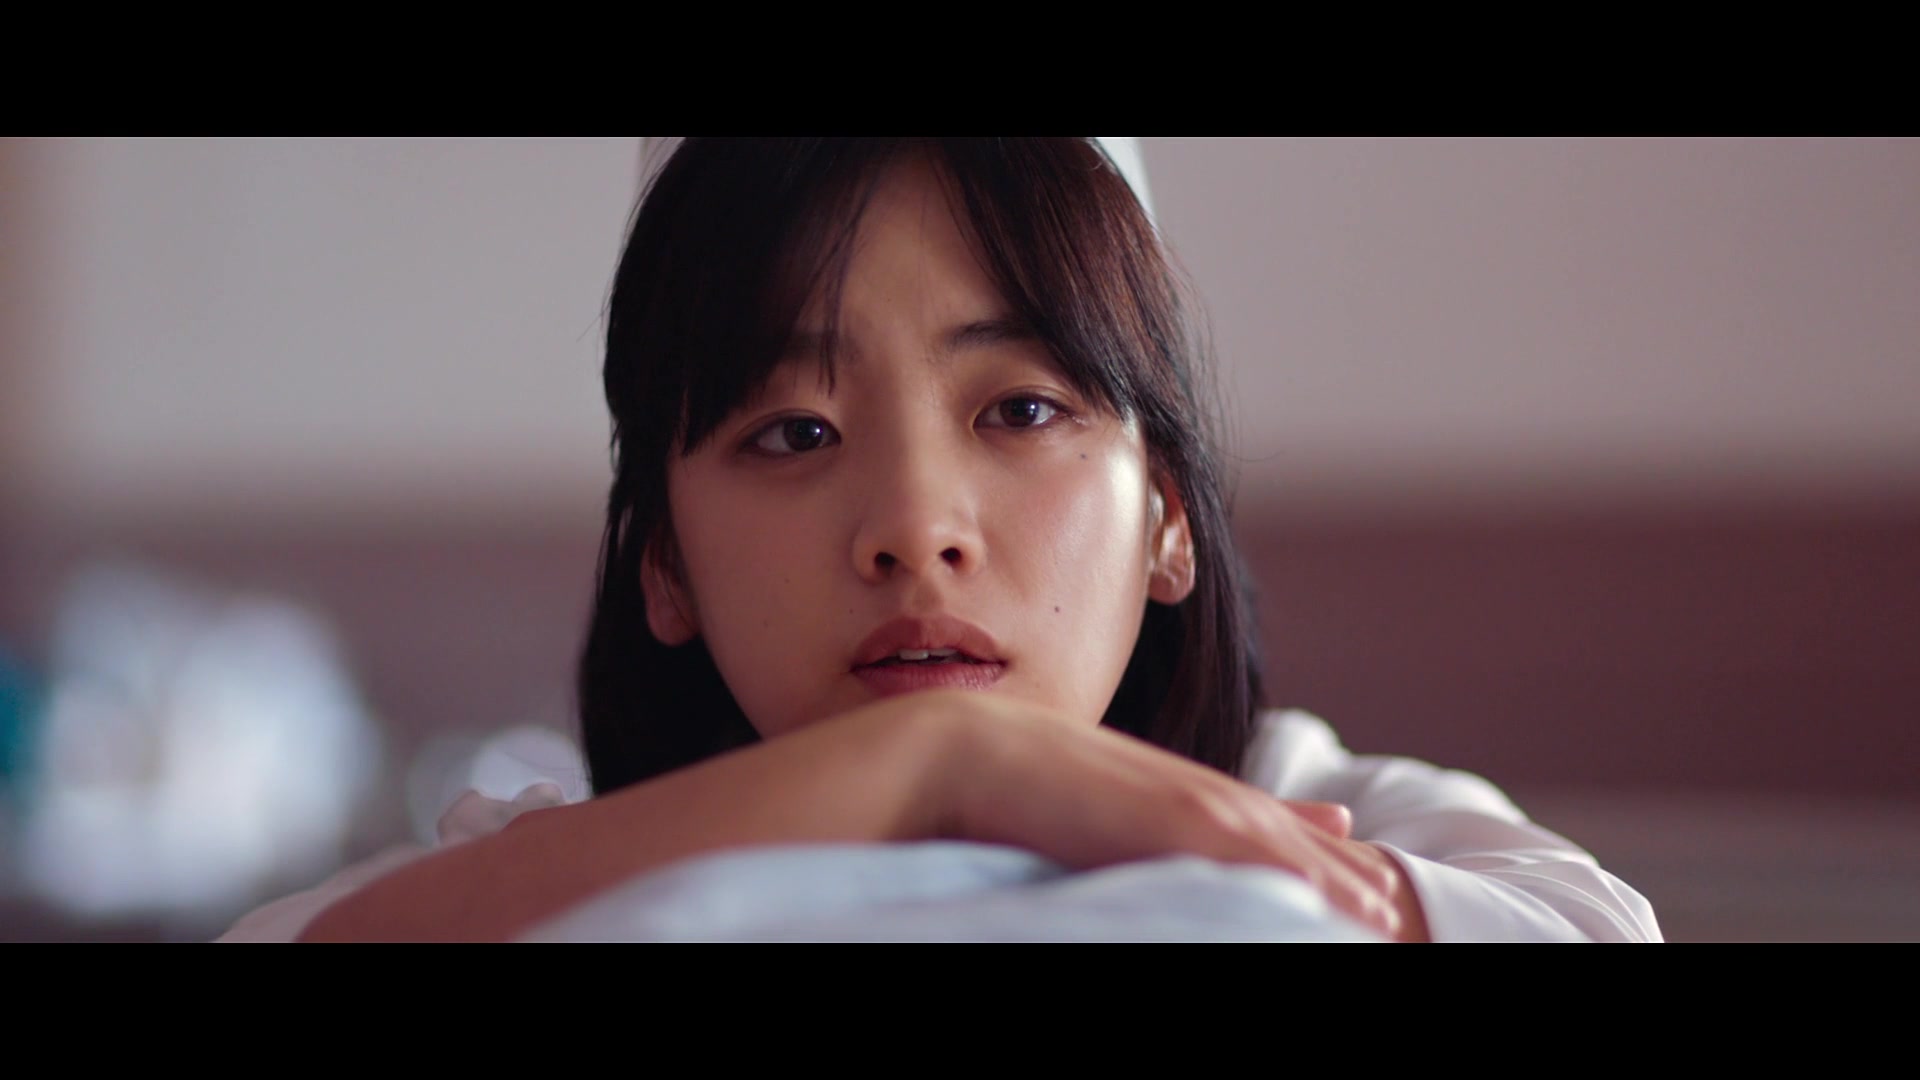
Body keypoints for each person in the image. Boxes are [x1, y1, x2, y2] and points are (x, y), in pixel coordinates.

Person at [292, 138, 1659, 942]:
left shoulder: (1315, 799)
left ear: (1167, 514)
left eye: (1020, 409)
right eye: (796, 433)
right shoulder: (540, 863)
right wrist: (937, 765)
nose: (915, 530)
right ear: (666, 565)